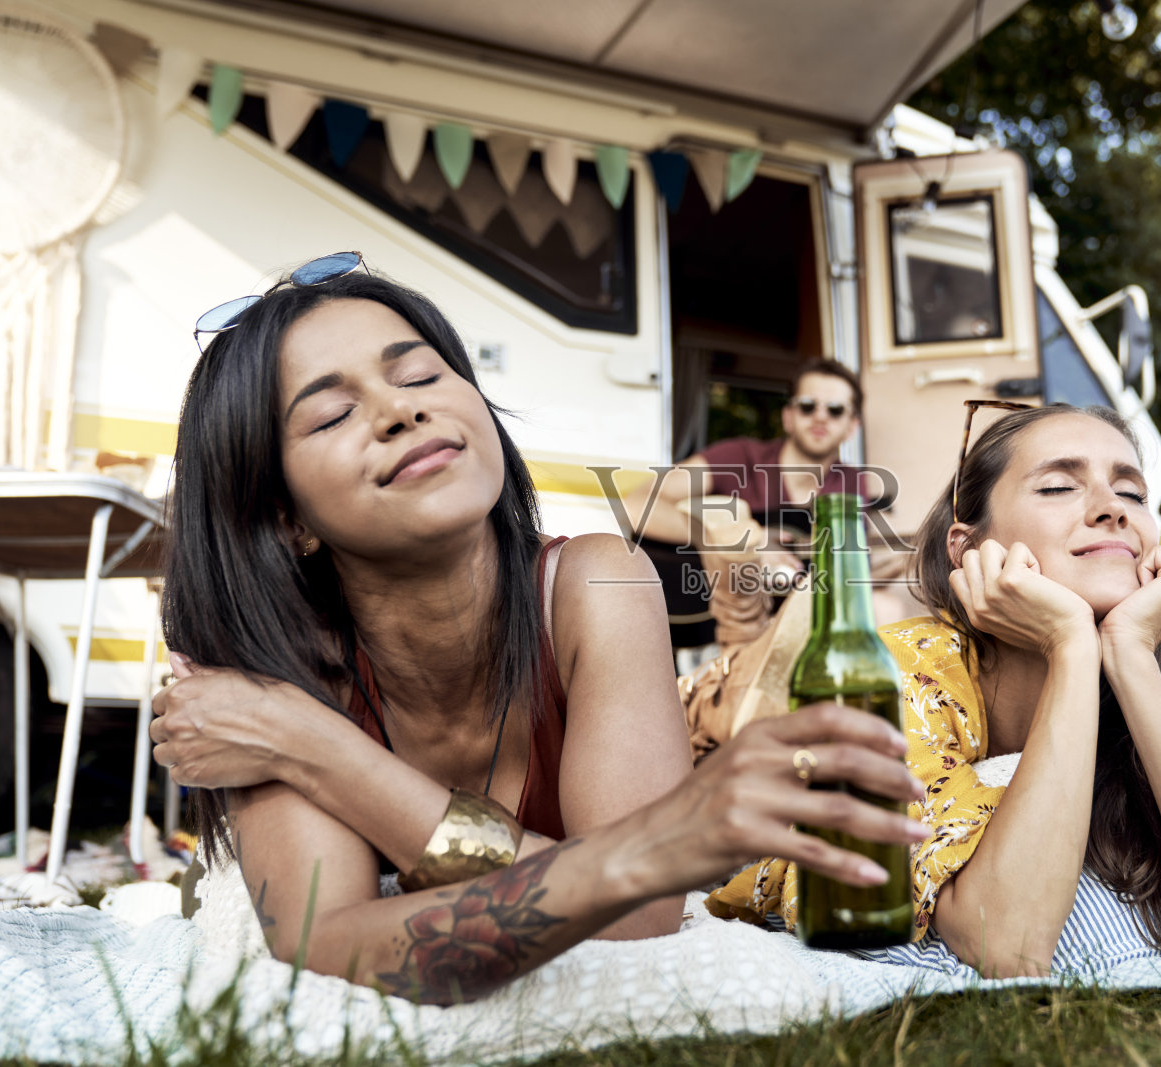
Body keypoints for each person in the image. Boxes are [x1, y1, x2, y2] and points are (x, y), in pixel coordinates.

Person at [147, 254, 927, 1004]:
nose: (400, 410)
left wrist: (313, 747)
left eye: (419, 375)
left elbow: (640, 916)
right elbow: (327, 946)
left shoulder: (594, 585)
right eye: (333, 414)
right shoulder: (273, 667)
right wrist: (634, 856)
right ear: (286, 518)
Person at [702, 403, 1161, 978]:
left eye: (1132, 492)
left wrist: (1130, 653)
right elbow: (1008, 945)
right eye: (1057, 486)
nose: (1112, 508)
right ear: (969, 546)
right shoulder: (900, 673)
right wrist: (1069, 644)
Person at [619, 359, 894, 646]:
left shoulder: (850, 483)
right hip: (711, 613)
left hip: (786, 618)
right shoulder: (738, 457)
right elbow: (637, 505)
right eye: (807, 406)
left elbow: (845, 572)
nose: (820, 417)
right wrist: (745, 543)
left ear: (852, 427)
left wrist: (888, 571)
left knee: (884, 607)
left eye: (835, 410)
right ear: (788, 417)